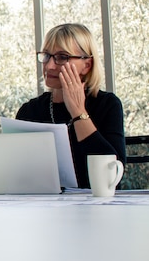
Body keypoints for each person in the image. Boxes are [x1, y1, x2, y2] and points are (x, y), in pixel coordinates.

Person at [16, 23, 125, 188]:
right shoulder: (29, 110)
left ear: (86, 65)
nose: (49, 65)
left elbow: (110, 178)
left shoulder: (107, 105)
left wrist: (78, 111)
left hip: (96, 208)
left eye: (61, 57)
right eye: (46, 55)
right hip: (42, 208)